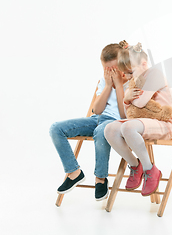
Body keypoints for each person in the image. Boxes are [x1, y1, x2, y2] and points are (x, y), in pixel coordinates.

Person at [50, 41, 130, 201]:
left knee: (101, 131)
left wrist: (119, 86)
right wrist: (108, 86)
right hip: (97, 119)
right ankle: (74, 173)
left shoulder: (131, 83)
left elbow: (124, 116)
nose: (110, 73)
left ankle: (100, 178)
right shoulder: (103, 82)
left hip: (116, 123)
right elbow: (97, 110)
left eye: (113, 69)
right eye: (106, 70)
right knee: (56, 129)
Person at [104, 42, 172, 197]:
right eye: (127, 74)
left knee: (128, 128)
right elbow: (125, 114)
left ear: (144, 64)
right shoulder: (136, 79)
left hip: (162, 123)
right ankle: (136, 165)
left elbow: (141, 102)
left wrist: (128, 97)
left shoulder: (155, 74)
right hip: (142, 122)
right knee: (109, 129)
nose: (129, 77)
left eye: (131, 72)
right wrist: (126, 99)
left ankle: (150, 169)